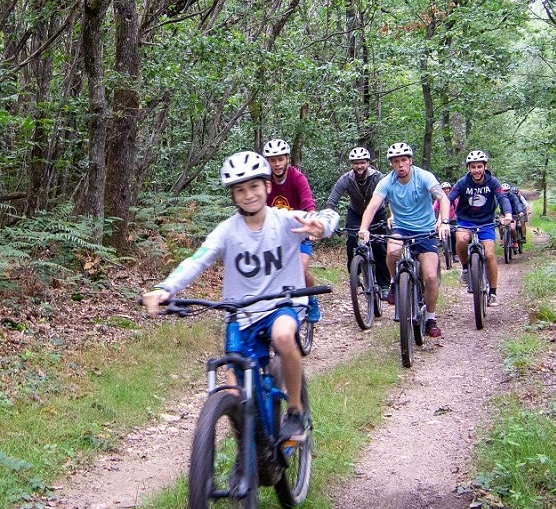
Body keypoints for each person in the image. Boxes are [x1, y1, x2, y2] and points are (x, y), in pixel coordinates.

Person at [141, 151, 340, 441]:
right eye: (240, 190)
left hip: (281, 305)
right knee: (235, 393)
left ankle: (296, 411)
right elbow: (197, 260)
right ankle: (250, 456)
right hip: (242, 315)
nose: (248, 195)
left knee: (284, 336)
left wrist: (322, 225)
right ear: (233, 195)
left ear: (267, 187)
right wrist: (164, 288)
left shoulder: (285, 220)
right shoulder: (226, 231)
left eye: (254, 187)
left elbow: (328, 215)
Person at [358, 142, 450, 338]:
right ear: (391, 164)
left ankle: (431, 318)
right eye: (395, 161)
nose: (400, 165)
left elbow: (442, 198)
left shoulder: (424, 177)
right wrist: (363, 228)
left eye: (403, 160)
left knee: (431, 277)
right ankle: (394, 282)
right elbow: (373, 206)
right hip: (401, 228)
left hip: (425, 230)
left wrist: (444, 222)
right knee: (392, 251)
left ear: (410, 161)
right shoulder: (386, 182)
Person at [262, 138, 322, 323]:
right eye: (273, 160)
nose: (277, 164)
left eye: (280, 159)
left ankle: (311, 299)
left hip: (299, 232)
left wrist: (311, 224)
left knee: (300, 270)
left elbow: (308, 203)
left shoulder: (297, 178)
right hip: (274, 234)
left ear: (287, 159)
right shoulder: (265, 181)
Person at [325, 147, 391, 299]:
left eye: (362, 163)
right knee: (352, 241)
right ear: (351, 165)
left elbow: (389, 198)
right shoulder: (346, 179)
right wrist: (328, 219)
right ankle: (355, 273)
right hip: (355, 213)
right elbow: (332, 200)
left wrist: (391, 215)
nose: (359, 166)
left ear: (368, 163)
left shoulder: (378, 177)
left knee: (379, 245)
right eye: (356, 163)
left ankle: (384, 284)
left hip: (377, 213)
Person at [448, 150, 512, 306]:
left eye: (479, 166)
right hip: (465, 221)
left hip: (486, 222)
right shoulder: (462, 183)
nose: (476, 170)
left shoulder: (493, 182)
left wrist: (508, 214)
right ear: (468, 168)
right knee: (461, 240)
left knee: (489, 254)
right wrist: (441, 219)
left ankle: (493, 293)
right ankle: (465, 269)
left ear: (485, 167)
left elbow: (502, 198)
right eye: (473, 167)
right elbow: (449, 198)